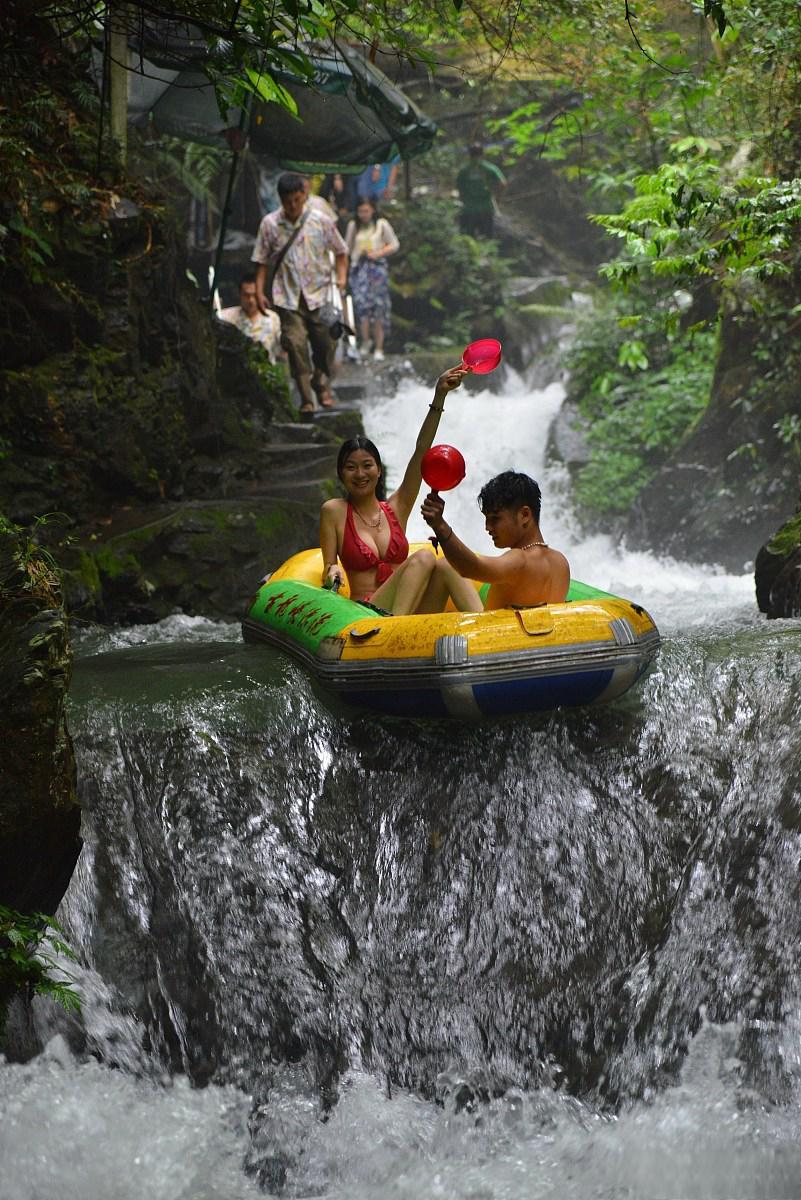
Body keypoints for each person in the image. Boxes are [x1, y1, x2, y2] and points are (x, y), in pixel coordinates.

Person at [320, 367, 482, 615]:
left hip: (408, 607)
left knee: (446, 564)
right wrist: (332, 570)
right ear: (341, 473)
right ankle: (395, 630)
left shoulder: (397, 508)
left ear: (379, 470)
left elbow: (421, 450)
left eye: (367, 466)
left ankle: (484, 630)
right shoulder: (334, 511)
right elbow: (329, 567)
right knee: (425, 557)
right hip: (366, 613)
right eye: (351, 468)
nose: (360, 474)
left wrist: (440, 395)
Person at [252, 172, 349, 415]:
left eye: (297, 200)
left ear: (304, 195)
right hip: (287, 297)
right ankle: (307, 399)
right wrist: (258, 291)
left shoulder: (321, 221)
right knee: (295, 344)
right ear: (281, 200)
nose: (293, 206)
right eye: (288, 202)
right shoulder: (270, 224)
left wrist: (341, 279)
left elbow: (341, 251)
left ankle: (320, 381)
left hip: (321, 295)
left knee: (328, 342)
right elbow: (261, 261)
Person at [421, 470, 570, 609]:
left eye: (495, 519)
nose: (488, 527)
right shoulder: (560, 562)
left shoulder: (519, 560)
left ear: (525, 515)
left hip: (495, 635)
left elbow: (470, 568)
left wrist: (440, 526)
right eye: (486, 519)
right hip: (535, 634)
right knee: (446, 565)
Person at [345, 198, 399, 362]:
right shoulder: (353, 226)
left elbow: (394, 244)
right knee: (362, 307)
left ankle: (379, 347)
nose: (364, 215)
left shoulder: (381, 224)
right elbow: (346, 247)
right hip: (359, 270)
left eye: (366, 211)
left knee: (379, 308)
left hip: (377, 270)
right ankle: (365, 341)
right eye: (361, 211)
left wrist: (378, 253)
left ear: (373, 210)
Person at [217, 275, 282, 362]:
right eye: (246, 295)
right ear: (240, 294)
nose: (251, 300)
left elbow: (280, 352)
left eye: (254, 295)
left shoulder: (272, 318)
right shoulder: (226, 317)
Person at [456, 143, 507, 238]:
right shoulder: (490, 168)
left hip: (469, 209)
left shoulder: (464, 170)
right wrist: (498, 199)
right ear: (483, 154)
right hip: (486, 208)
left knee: (467, 239)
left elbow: (459, 188)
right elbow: (503, 183)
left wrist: (463, 199)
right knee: (487, 240)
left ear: (469, 154)